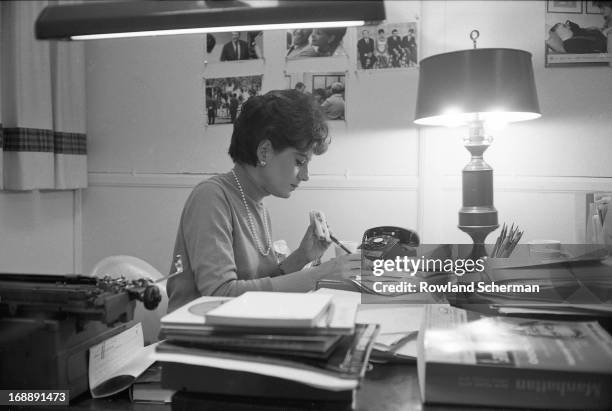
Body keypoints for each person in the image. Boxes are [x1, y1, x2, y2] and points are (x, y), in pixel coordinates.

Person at [167, 90, 361, 312]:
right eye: (300, 161)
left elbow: (257, 286)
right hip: (194, 340)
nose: (305, 175)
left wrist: (302, 257)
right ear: (265, 151)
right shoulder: (211, 197)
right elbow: (220, 295)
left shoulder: (256, 203)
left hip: (238, 334)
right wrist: (318, 275)